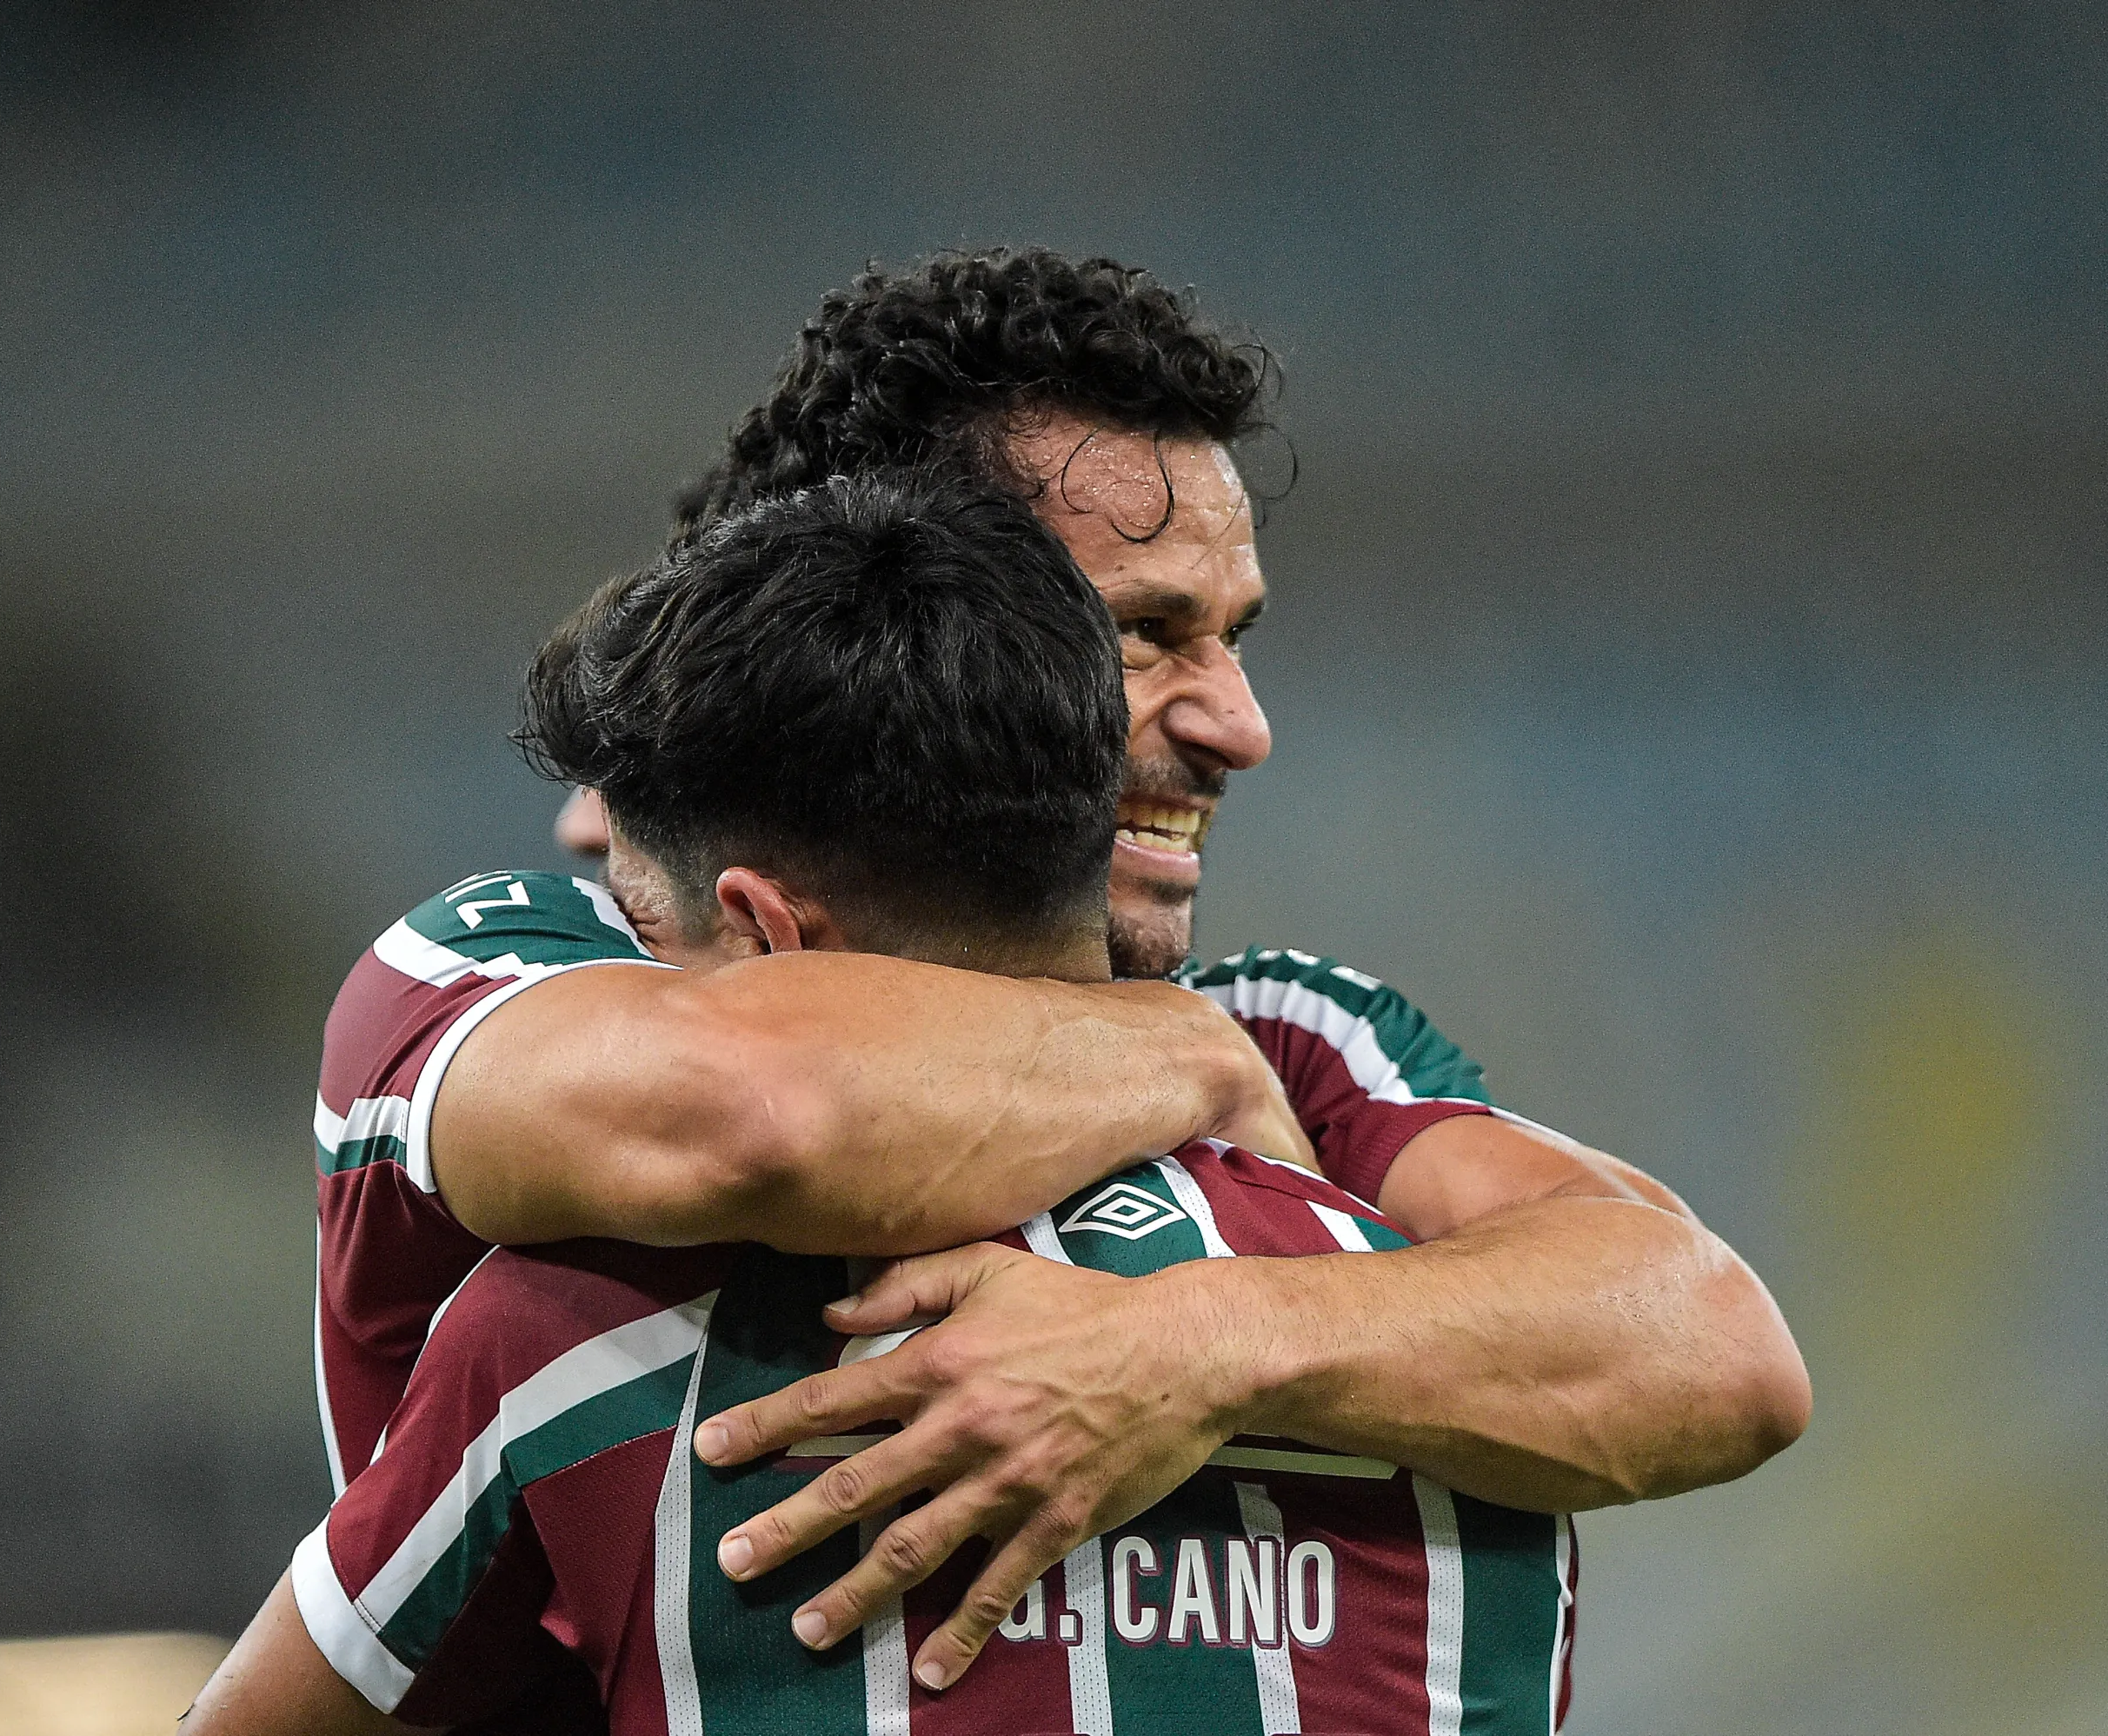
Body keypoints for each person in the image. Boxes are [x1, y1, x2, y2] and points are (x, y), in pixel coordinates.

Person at [309, 249, 1806, 1695]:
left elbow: (1712, 1348)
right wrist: (1181, 1064)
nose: (1239, 724)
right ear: (921, 616)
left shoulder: (1291, 1030)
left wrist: (1192, 1343)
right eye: (1148, 634)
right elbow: (754, 1107)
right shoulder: (502, 967)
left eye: (1234, 637)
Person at [191, 471, 1586, 1736]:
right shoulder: (1462, 1375)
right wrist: (1192, 1059)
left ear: (759, 932)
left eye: (654, 942)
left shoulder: (577, 1336)